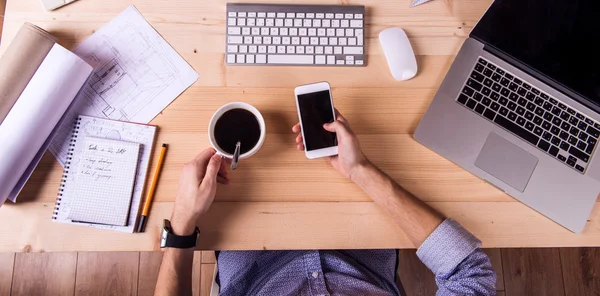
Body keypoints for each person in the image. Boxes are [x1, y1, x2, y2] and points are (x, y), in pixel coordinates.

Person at [155, 111, 496, 296]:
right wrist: (360, 170)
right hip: (362, 250)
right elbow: (468, 273)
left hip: (252, 263)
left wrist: (182, 224)